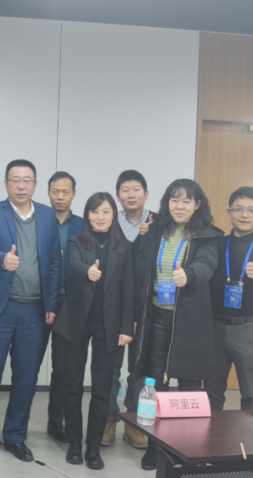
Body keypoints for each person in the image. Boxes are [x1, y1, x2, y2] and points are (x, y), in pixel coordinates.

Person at [0, 159, 61, 464]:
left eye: (27, 180)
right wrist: (2, 258)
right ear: (6, 184)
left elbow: (54, 263)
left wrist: (52, 304)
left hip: (35, 310)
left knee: (26, 378)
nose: (21, 186)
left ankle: (15, 436)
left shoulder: (47, 216)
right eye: (15, 180)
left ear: (35, 185)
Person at [132, 178, 222, 471]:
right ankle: (154, 447)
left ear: (197, 205)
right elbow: (139, 267)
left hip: (189, 320)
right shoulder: (155, 230)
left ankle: (185, 449)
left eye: (186, 201)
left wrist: (189, 274)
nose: (179, 206)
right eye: (174, 200)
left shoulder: (207, 235)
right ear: (167, 203)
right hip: (157, 317)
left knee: (189, 385)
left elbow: (207, 265)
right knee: (155, 384)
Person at [53, 192, 134, 470]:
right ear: (88, 215)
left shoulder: (125, 247)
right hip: (76, 320)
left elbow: (129, 291)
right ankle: (74, 443)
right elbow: (73, 265)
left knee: (102, 389)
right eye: (95, 211)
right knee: (72, 385)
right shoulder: (76, 241)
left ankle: (93, 447)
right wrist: (88, 271)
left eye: (106, 212)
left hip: (109, 324)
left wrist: (126, 327)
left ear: (113, 215)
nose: (100, 217)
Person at [203, 187, 253, 410]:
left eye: (251, 210)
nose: (244, 215)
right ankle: (211, 432)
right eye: (238, 209)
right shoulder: (218, 244)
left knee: (252, 394)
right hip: (216, 326)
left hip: (249, 329)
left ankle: (250, 433)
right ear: (229, 212)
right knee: (211, 390)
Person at [106, 169, 152, 449]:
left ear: (146, 194)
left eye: (136, 190)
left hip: (147, 307)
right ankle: (109, 418)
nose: (131, 195)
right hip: (114, 305)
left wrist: (151, 235)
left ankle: (134, 423)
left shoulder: (159, 223)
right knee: (111, 367)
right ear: (118, 195)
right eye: (125, 190)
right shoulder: (109, 220)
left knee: (139, 368)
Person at [41, 171, 84, 443]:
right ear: (48, 192)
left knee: (63, 367)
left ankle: (56, 419)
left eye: (65, 192)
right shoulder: (38, 220)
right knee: (29, 364)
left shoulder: (83, 225)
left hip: (70, 302)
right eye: (55, 191)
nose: (60, 196)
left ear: (73, 194)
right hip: (40, 300)